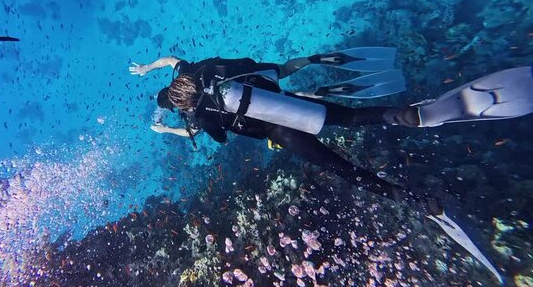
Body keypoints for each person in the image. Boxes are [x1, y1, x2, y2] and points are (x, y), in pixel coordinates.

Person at [131, 48, 532, 283]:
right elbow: (171, 60)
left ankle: (414, 200)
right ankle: (411, 116)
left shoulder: (202, 116)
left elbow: (209, 138)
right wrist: (149, 68)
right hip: (296, 104)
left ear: (178, 104)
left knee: (346, 171)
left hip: (286, 132)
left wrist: (167, 132)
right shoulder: (202, 72)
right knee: (360, 117)